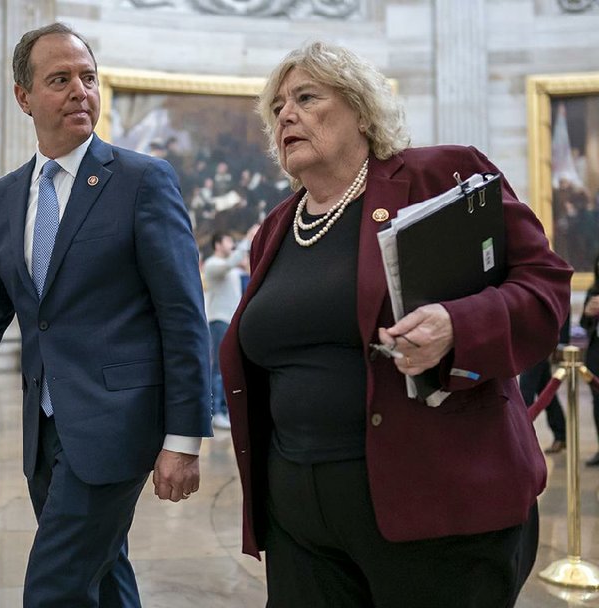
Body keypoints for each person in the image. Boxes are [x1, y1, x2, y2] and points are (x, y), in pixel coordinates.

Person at [219, 42, 572, 607]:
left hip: (437, 518)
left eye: (307, 97)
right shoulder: (276, 230)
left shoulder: (443, 175)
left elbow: (545, 289)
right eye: (278, 106)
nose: (286, 114)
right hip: (300, 529)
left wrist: (459, 325)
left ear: (361, 110)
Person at [0, 23, 212, 608]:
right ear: (24, 97)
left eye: (88, 78)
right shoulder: (2, 198)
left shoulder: (142, 181)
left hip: (118, 424)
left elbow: (183, 316)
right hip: (44, 434)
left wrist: (184, 437)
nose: (80, 91)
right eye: (60, 79)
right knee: (106, 576)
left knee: (53, 590)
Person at [204, 227, 258, 429]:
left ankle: (224, 411)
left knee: (228, 367)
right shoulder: (212, 264)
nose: (232, 245)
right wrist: (246, 240)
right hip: (219, 321)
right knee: (218, 368)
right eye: (228, 241)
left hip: (231, 322)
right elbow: (228, 265)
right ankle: (214, 412)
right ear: (218, 245)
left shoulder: (233, 269)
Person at [519, 320, 569, 454]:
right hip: (527, 342)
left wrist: (561, 343)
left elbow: (562, 307)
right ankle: (561, 434)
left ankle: (521, 440)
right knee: (546, 390)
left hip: (538, 342)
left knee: (525, 393)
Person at [580, 253, 599, 466]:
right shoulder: (593, 291)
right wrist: (587, 311)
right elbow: (583, 324)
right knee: (597, 403)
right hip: (596, 352)